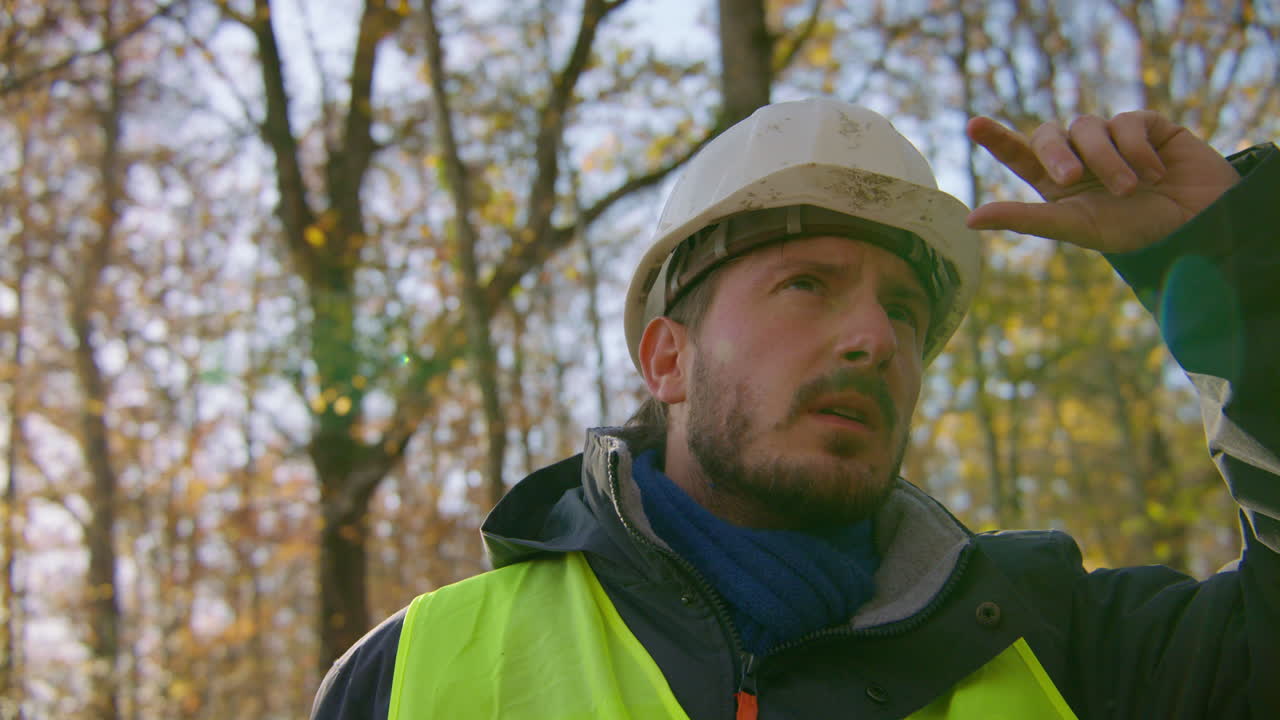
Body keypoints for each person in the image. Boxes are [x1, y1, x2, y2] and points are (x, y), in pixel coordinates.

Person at [311, 99, 1279, 719]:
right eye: (807, 285)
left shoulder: (1064, 645)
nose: (874, 339)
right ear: (667, 360)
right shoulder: (411, 679)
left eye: (903, 309)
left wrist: (1243, 276)